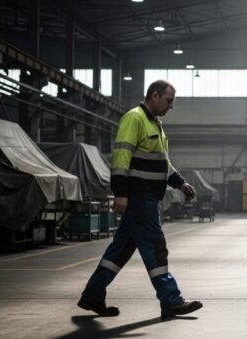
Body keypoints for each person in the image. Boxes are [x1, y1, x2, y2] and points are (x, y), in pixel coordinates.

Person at [78, 80, 203, 319]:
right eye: (169, 101)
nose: (171, 107)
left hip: (146, 198)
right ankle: (171, 299)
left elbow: (162, 164)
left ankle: (92, 296)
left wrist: (180, 183)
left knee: (119, 252)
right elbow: (121, 158)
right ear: (154, 96)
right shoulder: (134, 119)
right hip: (139, 198)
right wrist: (121, 193)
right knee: (155, 248)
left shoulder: (155, 124)